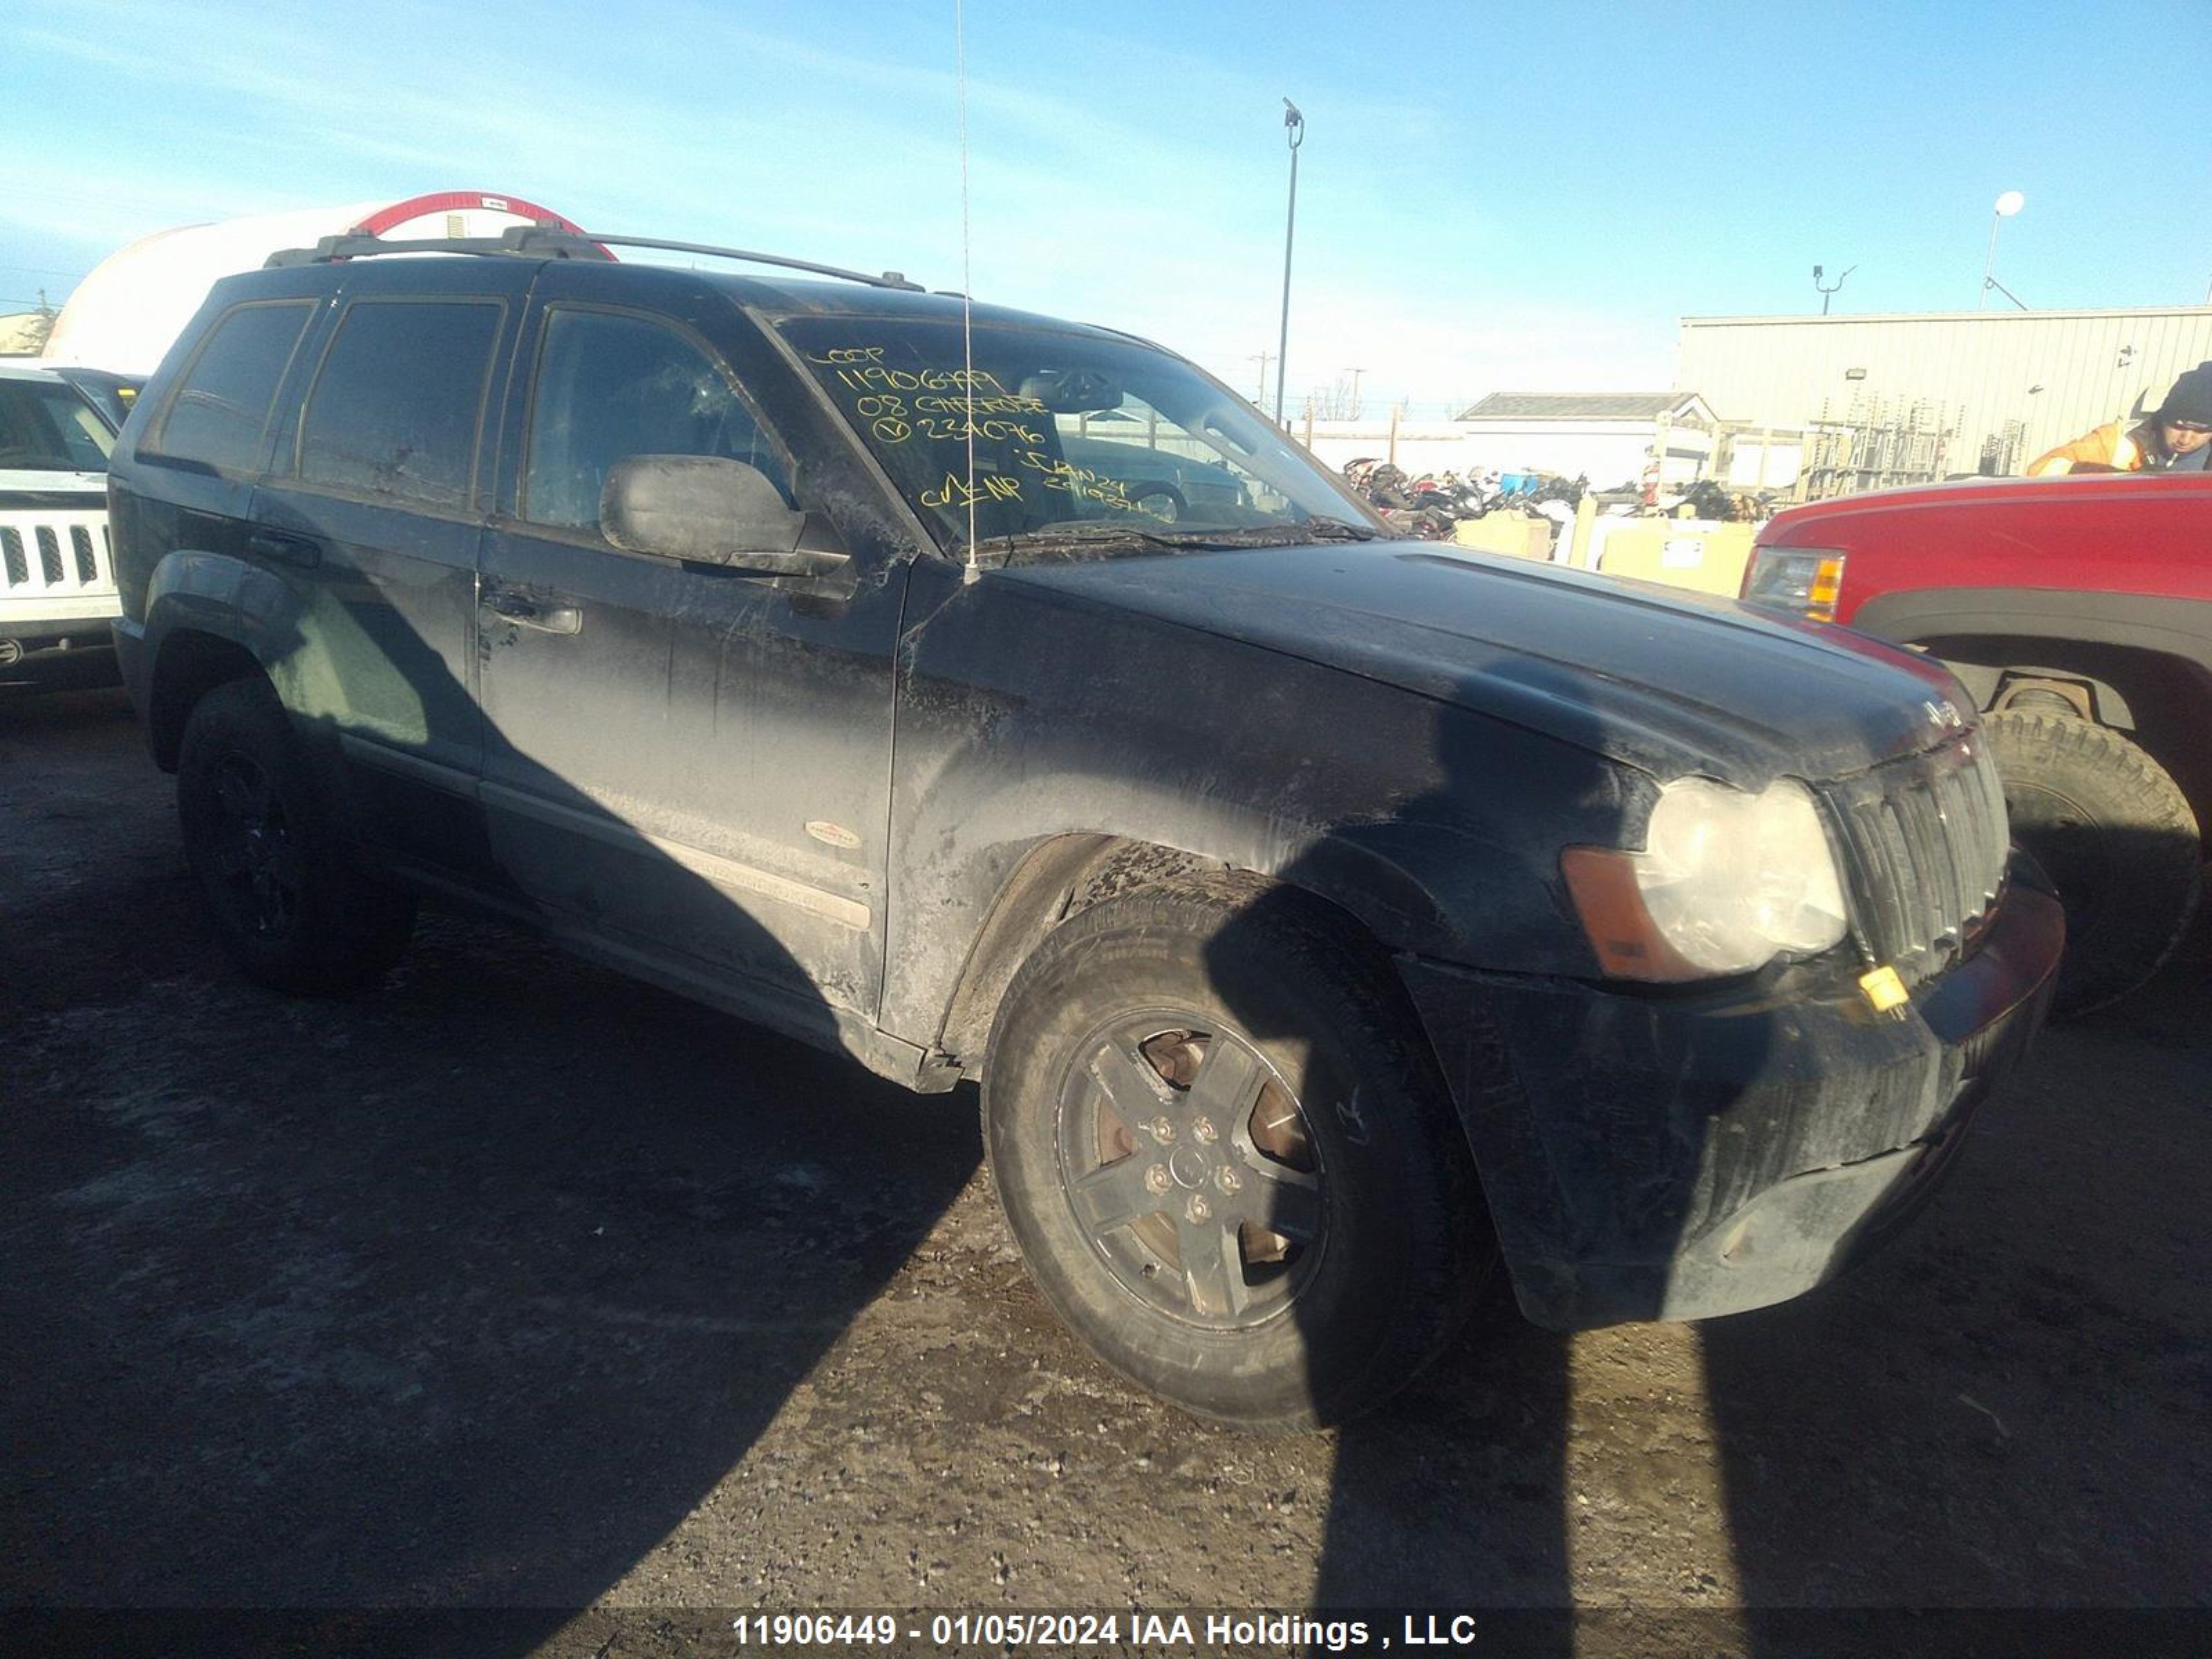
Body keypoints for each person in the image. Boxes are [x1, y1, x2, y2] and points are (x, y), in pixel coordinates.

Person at [2027, 363, 2212, 475]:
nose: (2186, 439)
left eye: (2201, 430)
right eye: (2178, 426)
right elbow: (2041, 470)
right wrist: (2118, 478)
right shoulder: (2117, 441)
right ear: (2162, 417)